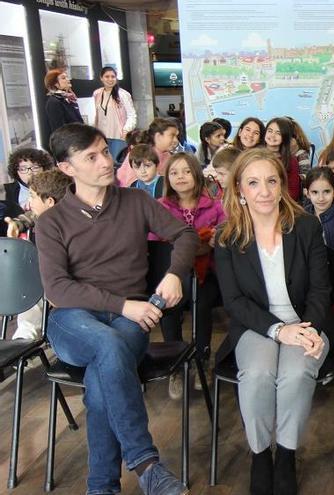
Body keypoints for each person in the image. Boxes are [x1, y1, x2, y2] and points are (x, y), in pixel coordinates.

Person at [37, 123, 197, 495]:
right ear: (66, 168)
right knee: (107, 348)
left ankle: (101, 486)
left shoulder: (137, 202)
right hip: (73, 319)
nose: (105, 162)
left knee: (99, 384)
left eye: (105, 152)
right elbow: (57, 289)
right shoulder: (52, 222)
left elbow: (185, 235)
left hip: (129, 319)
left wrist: (174, 274)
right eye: (90, 157)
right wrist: (123, 305)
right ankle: (146, 464)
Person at [213, 148, 334, 495]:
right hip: (257, 325)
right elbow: (234, 302)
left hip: (307, 322)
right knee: (257, 374)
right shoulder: (226, 237)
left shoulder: (307, 227)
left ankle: (285, 453)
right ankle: (259, 454)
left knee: (295, 373)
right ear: (239, 189)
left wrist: (308, 329)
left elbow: (320, 290)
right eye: (254, 183)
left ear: (283, 185)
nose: (264, 191)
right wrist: (279, 330)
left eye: (271, 181)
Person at [151, 153, 225, 399]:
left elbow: (224, 236)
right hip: (172, 274)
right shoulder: (160, 207)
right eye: (174, 173)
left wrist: (215, 240)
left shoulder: (214, 206)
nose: (180, 177)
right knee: (166, 303)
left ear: (196, 174)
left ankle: (202, 358)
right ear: (167, 178)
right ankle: (175, 364)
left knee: (201, 301)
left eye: (185, 171)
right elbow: (155, 243)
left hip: (208, 274)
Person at [4, 168, 71, 340]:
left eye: (32, 196)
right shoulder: (47, 216)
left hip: (65, 283)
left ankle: (24, 338)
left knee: (31, 281)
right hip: (48, 280)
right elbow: (32, 215)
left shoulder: (66, 227)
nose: (28, 201)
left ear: (49, 202)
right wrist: (18, 225)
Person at [116, 118, 179, 186]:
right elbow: (131, 185)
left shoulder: (168, 156)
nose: (176, 140)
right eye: (172, 136)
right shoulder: (139, 154)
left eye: (176, 136)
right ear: (158, 137)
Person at [92, 67, 137, 163]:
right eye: (107, 76)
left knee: (118, 163)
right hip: (102, 137)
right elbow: (95, 115)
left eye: (113, 76)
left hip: (119, 137)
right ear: (101, 78)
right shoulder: (97, 94)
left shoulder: (123, 94)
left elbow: (132, 115)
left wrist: (126, 130)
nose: (110, 79)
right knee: (105, 163)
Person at [2, 148, 55, 220]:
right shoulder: (5, 191)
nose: (30, 172)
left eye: (35, 167)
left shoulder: (54, 188)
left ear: (44, 168)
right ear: (16, 171)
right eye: (23, 169)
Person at [264, 117, 302, 201]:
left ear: (285, 136)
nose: (272, 135)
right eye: (270, 131)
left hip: (281, 205)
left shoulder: (291, 161)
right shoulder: (254, 156)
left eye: (278, 133)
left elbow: (293, 193)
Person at [44, 69, 84, 136]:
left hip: (78, 139)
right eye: (63, 78)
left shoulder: (68, 98)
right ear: (55, 84)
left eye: (67, 77)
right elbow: (59, 129)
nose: (68, 80)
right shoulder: (54, 102)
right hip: (68, 142)